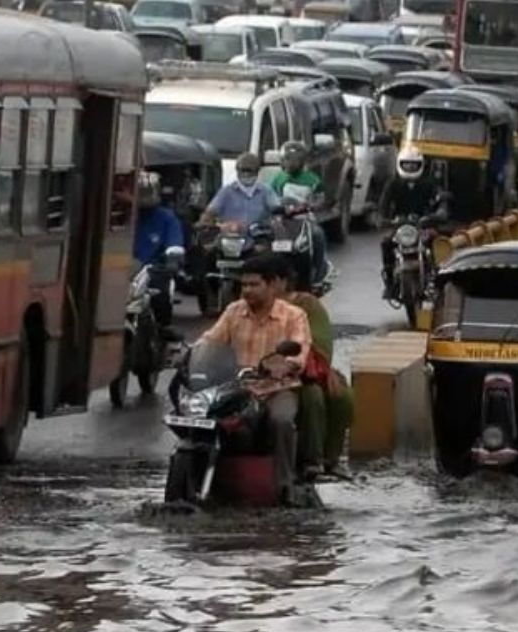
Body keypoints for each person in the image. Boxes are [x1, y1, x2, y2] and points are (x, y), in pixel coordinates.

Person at [198, 252, 313, 505]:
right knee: (201, 419)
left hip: (277, 388)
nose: (247, 291)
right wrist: (188, 356)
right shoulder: (233, 311)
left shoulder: (294, 315)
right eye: (243, 285)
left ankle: (285, 487)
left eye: (253, 285)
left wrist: (284, 366)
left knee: (281, 420)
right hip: (236, 389)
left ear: (272, 285)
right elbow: (210, 341)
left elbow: (300, 350)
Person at [270, 256, 355, 478]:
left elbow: (319, 343)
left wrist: (296, 364)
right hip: (259, 374)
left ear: (282, 281)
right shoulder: (245, 307)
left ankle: (324, 460)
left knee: (332, 395)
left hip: (302, 371)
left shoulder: (305, 305)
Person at [378, 146, 447, 300]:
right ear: (400, 164)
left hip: (424, 225)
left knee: (437, 243)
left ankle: (439, 280)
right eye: (406, 164)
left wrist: (439, 212)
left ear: (420, 165)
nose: (410, 168)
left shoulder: (429, 183)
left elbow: (440, 199)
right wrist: (382, 219)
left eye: (413, 165)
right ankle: (390, 283)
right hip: (400, 227)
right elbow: (383, 204)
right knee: (386, 243)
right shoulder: (393, 184)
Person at [269, 140, 330, 287]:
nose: (291, 163)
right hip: (282, 220)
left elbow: (321, 199)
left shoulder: (312, 179)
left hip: (304, 219)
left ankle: (318, 271)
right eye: (287, 159)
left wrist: (310, 206)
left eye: (295, 160)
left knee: (317, 235)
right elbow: (270, 197)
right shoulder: (278, 179)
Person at [133, 172, 184, 337]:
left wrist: (173, 259)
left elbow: (174, 242)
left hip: (152, 270)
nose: (144, 196)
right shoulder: (121, 214)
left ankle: (162, 327)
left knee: (160, 292)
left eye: (148, 192)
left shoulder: (166, 218)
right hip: (123, 269)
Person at [197, 152, 282, 230]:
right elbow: (211, 211)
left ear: (257, 171)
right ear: (237, 171)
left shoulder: (266, 191)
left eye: (249, 171)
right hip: (231, 237)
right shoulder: (227, 191)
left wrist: (278, 218)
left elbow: (277, 208)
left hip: (258, 237)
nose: (246, 174)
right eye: (243, 170)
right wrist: (205, 221)